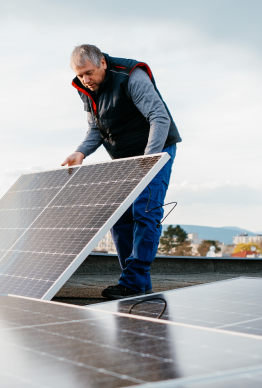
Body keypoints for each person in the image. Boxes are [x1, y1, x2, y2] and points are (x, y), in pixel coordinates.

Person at [61, 44, 181, 300]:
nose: (85, 79)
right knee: (120, 216)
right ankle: (136, 281)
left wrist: (149, 161)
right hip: (125, 158)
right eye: (80, 75)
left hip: (156, 150)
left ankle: (134, 281)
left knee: (145, 211)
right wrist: (81, 152)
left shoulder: (131, 76)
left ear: (103, 62)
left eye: (89, 73)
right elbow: (96, 128)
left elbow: (159, 118)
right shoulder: (85, 87)